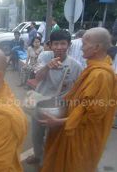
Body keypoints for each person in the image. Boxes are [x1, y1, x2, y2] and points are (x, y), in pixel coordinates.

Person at [40, 27, 117, 172]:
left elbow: (93, 115)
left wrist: (58, 122)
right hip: (73, 129)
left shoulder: (101, 75)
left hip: (83, 137)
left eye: (84, 44)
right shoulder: (92, 69)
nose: (81, 48)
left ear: (97, 47)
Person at [26, 30, 82, 167]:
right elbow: (37, 78)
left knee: (53, 137)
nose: (59, 47)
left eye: (63, 44)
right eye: (55, 44)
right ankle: (38, 155)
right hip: (40, 102)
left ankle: (48, 162)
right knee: (36, 134)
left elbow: (78, 90)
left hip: (59, 107)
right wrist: (47, 67)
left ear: (69, 45)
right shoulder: (44, 57)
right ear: (50, 45)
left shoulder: (76, 66)